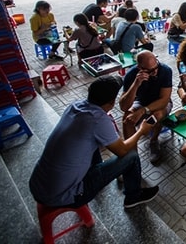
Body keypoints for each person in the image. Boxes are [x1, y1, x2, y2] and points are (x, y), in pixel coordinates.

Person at [29, 76, 159, 209]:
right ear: (112, 102)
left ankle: (96, 170)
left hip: (38, 184)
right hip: (64, 196)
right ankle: (133, 196)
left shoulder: (75, 106)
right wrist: (141, 131)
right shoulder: (98, 119)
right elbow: (123, 150)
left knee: (91, 142)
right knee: (131, 156)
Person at [120, 51, 173, 164]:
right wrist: (136, 84)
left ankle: (153, 141)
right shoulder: (131, 75)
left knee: (156, 115)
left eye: (156, 67)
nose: (155, 72)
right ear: (140, 68)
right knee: (127, 119)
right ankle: (133, 156)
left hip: (160, 102)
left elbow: (164, 100)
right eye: (150, 70)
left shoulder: (165, 70)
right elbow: (124, 106)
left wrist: (143, 111)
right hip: (141, 101)